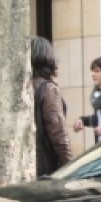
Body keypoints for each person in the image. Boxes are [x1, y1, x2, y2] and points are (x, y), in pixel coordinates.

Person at [32, 36, 72, 176]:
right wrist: (71, 166)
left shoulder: (23, 87)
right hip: (45, 167)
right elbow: (58, 133)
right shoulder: (48, 89)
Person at [72, 56, 101, 142]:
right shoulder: (97, 94)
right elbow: (98, 119)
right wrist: (82, 120)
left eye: (97, 71)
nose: (92, 74)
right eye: (92, 71)